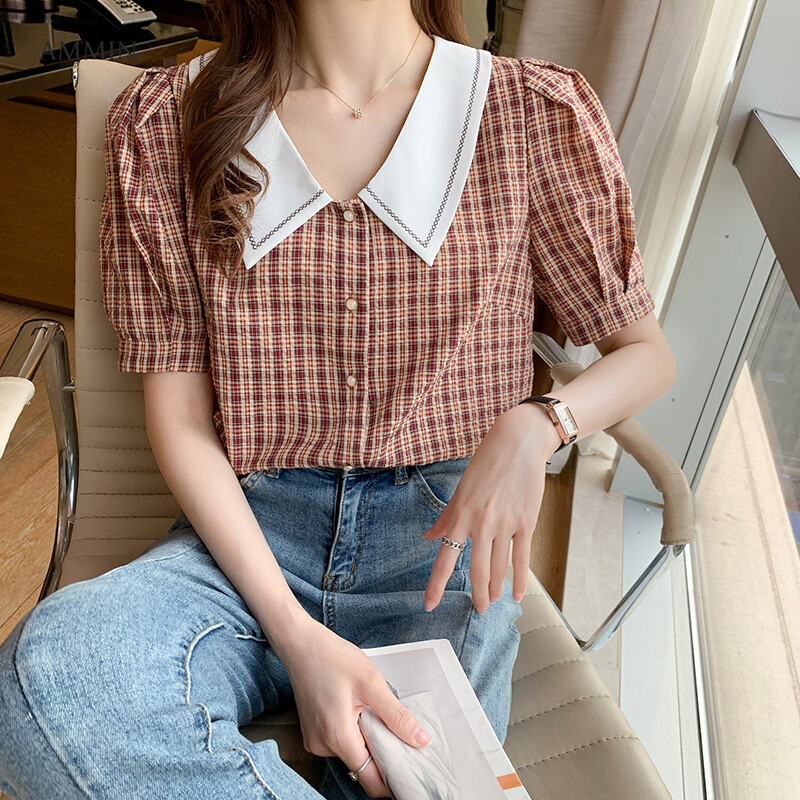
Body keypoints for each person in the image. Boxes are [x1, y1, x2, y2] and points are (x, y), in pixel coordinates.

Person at [0, 0, 677, 798]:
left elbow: (646, 356)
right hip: (246, 541)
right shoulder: (167, 123)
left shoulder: (529, 115)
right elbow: (180, 420)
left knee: (434, 785)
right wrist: (294, 635)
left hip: (440, 554)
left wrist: (542, 423)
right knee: (48, 684)